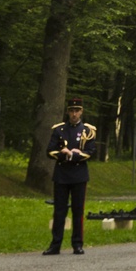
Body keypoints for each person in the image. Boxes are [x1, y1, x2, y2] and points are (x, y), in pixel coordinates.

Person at [42, 95, 96, 255]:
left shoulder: (88, 131)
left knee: (78, 210)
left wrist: (75, 154)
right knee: (59, 210)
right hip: (62, 174)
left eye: (77, 111)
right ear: (68, 112)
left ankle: (77, 244)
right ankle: (55, 244)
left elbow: (91, 152)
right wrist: (62, 153)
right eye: (72, 110)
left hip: (79, 174)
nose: (74, 114)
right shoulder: (59, 129)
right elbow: (50, 151)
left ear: (81, 112)